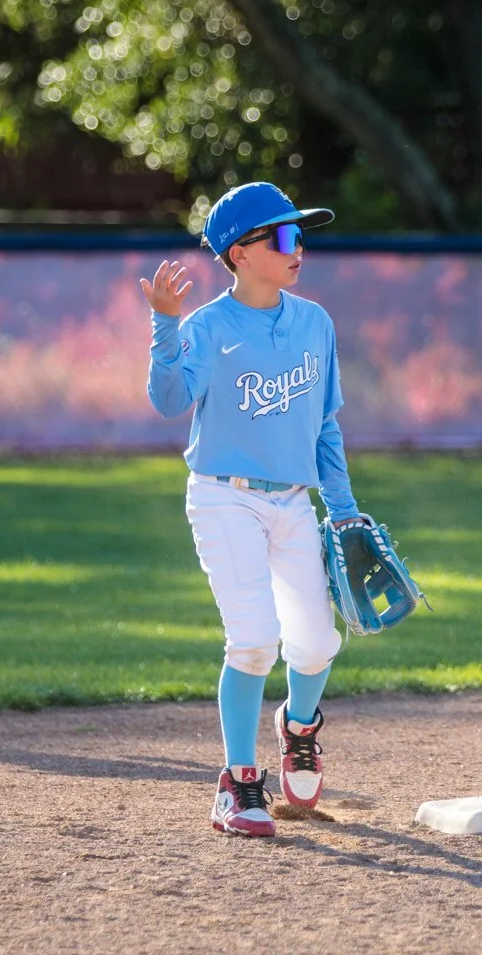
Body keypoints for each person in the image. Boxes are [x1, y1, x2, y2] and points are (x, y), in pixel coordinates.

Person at [140, 182, 363, 838]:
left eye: (300, 234)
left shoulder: (315, 322)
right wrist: (164, 323)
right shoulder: (208, 326)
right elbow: (169, 398)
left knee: (319, 642)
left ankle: (298, 729)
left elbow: (326, 425)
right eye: (283, 236)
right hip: (223, 496)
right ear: (240, 253)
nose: (298, 247)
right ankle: (238, 784)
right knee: (256, 641)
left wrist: (344, 509)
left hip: (293, 502)